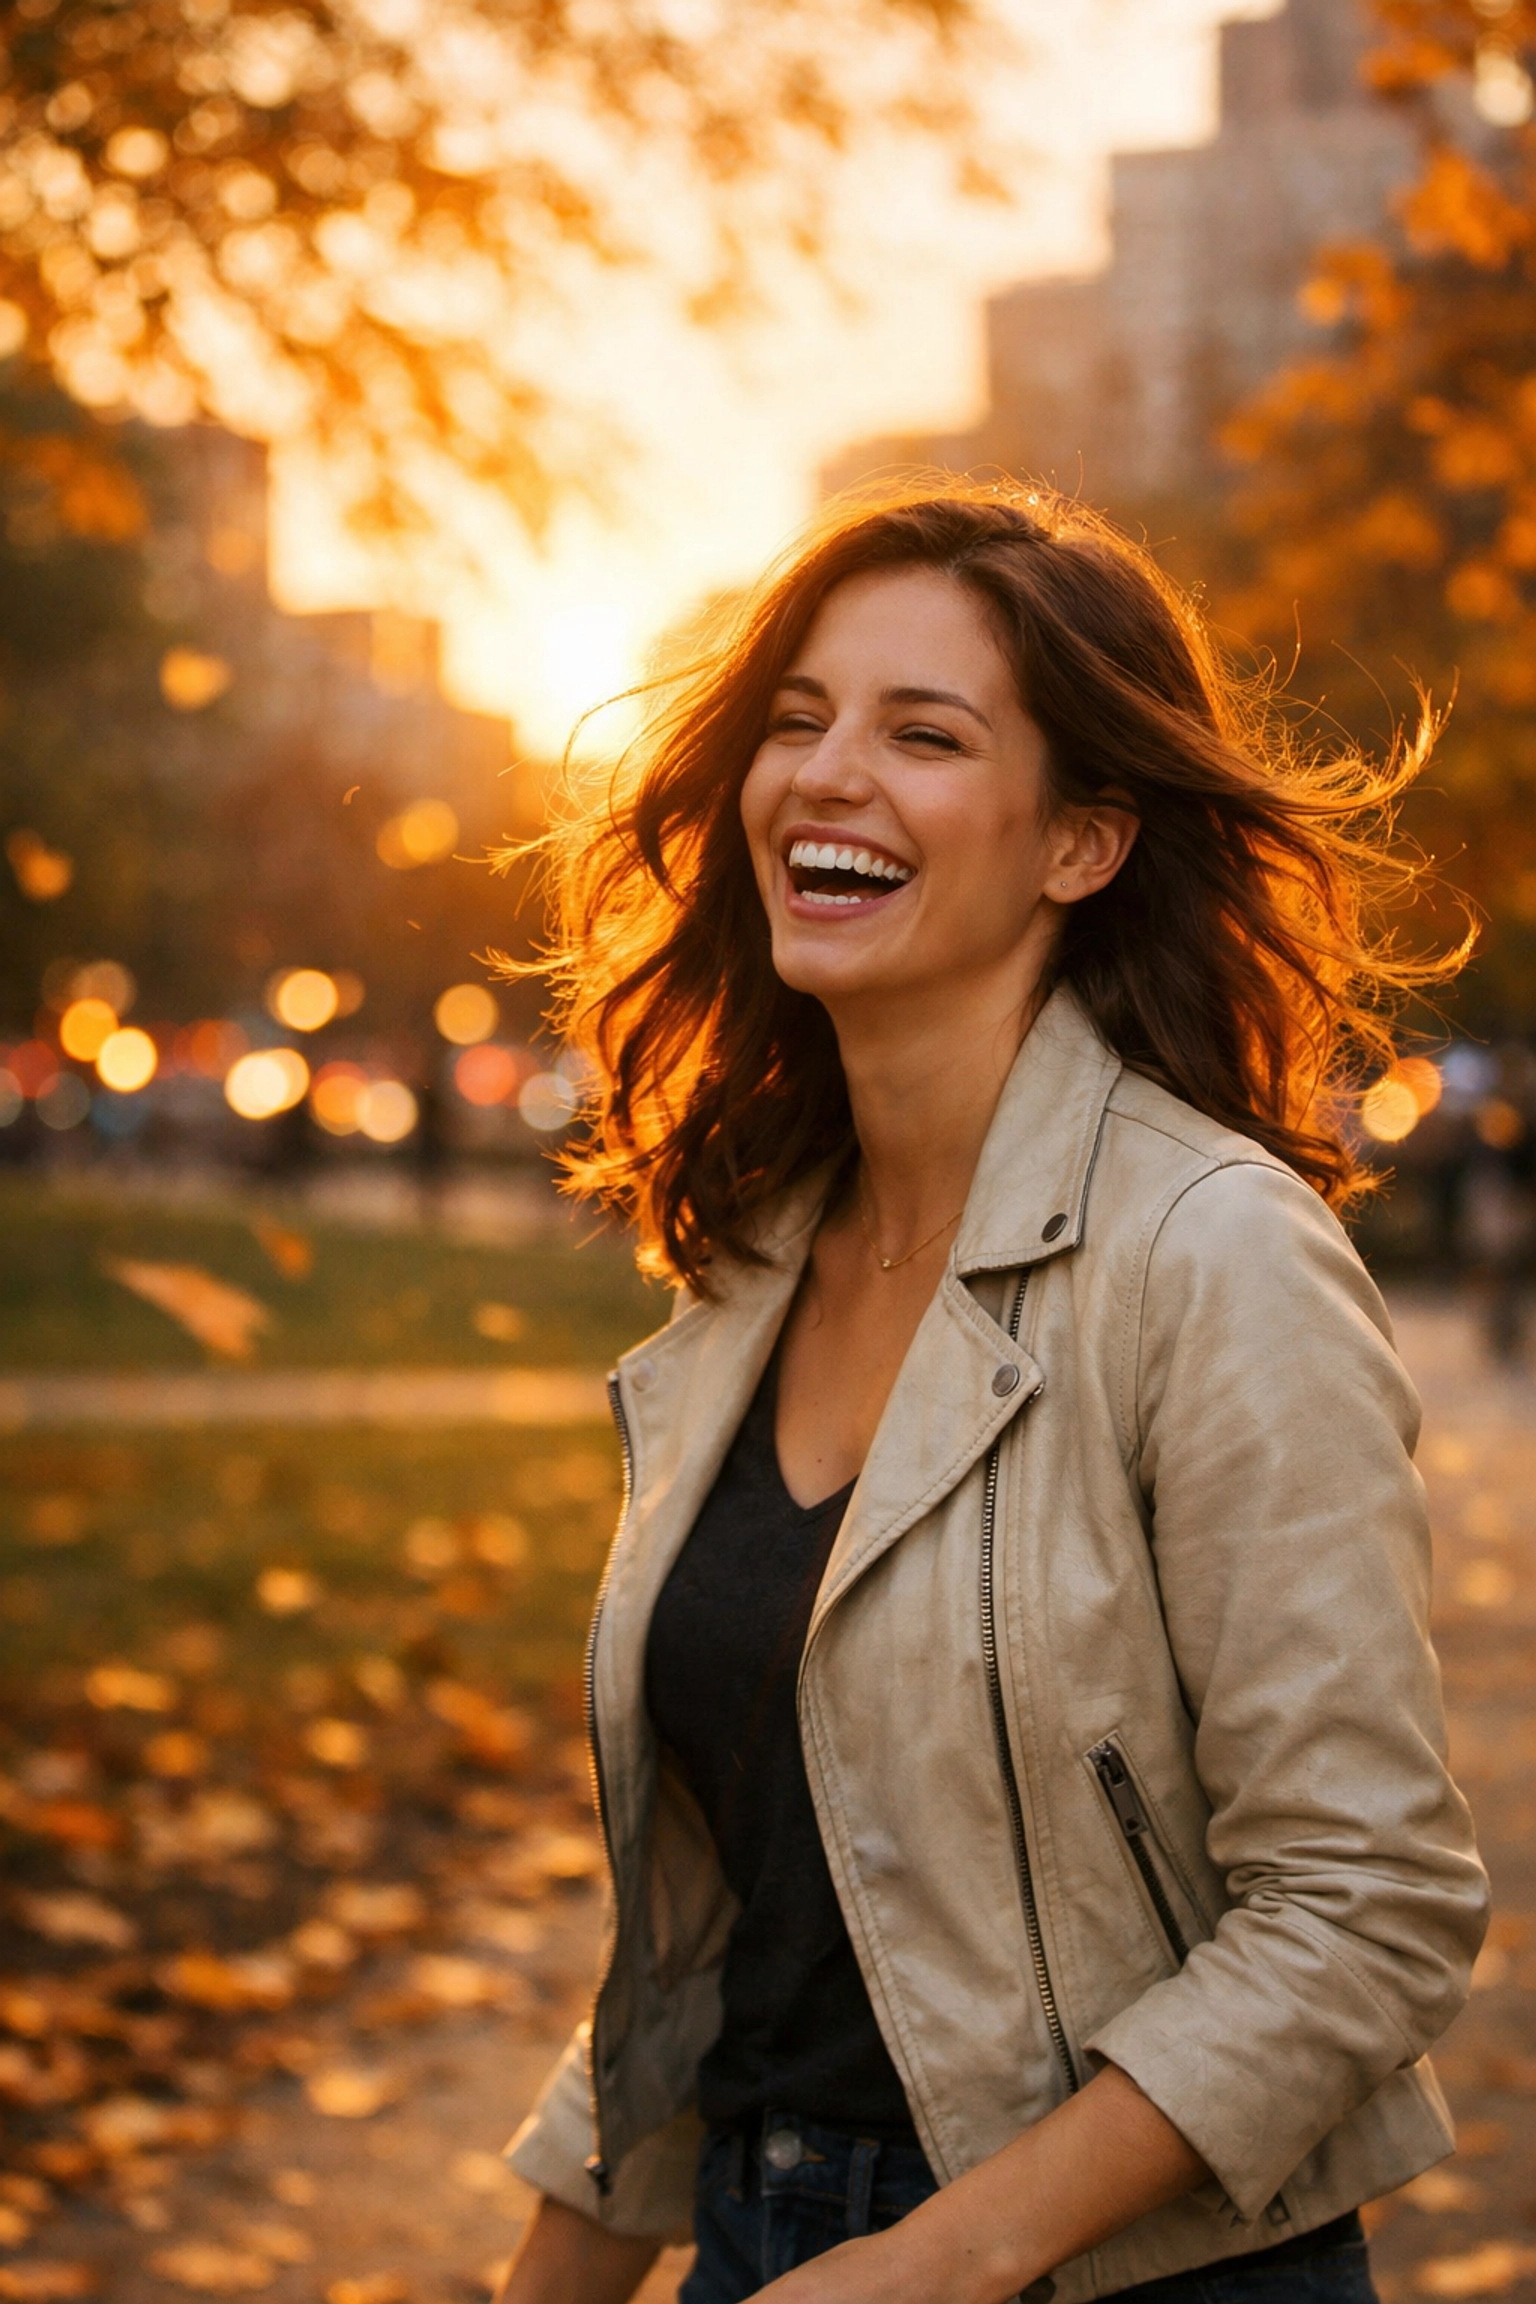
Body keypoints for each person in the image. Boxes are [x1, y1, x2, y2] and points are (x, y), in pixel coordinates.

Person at [497, 482, 1488, 2304]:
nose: (825, 773)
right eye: (796, 719)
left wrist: (945, 2262)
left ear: (1081, 846)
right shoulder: (749, 1261)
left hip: (1137, 2271)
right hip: (754, 2232)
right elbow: (728, 1922)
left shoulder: (1213, 1255)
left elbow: (1367, 1911)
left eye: (922, 733)